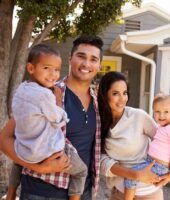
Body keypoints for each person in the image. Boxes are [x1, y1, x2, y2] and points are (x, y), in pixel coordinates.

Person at [0, 35, 103, 200]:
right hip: (41, 192)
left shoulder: (98, 103)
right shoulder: (46, 94)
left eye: (93, 59)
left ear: (99, 65)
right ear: (70, 58)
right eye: (81, 56)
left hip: (84, 192)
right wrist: (38, 167)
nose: (86, 64)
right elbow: (5, 139)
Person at [98, 71, 170, 200]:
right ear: (105, 95)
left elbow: (165, 141)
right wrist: (135, 174)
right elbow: (100, 161)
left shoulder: (139, 116)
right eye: (115, 93)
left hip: (149, 192)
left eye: (125, 93)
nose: (122, 99)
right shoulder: (99, 123)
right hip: (120, 192)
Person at [123, 93, 170, 200]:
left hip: (159, 166)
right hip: (152, 162)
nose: (161, 116)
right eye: (157, 112)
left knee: (130, 175)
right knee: (134, 174)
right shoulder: (162, 127)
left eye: (166, 112)